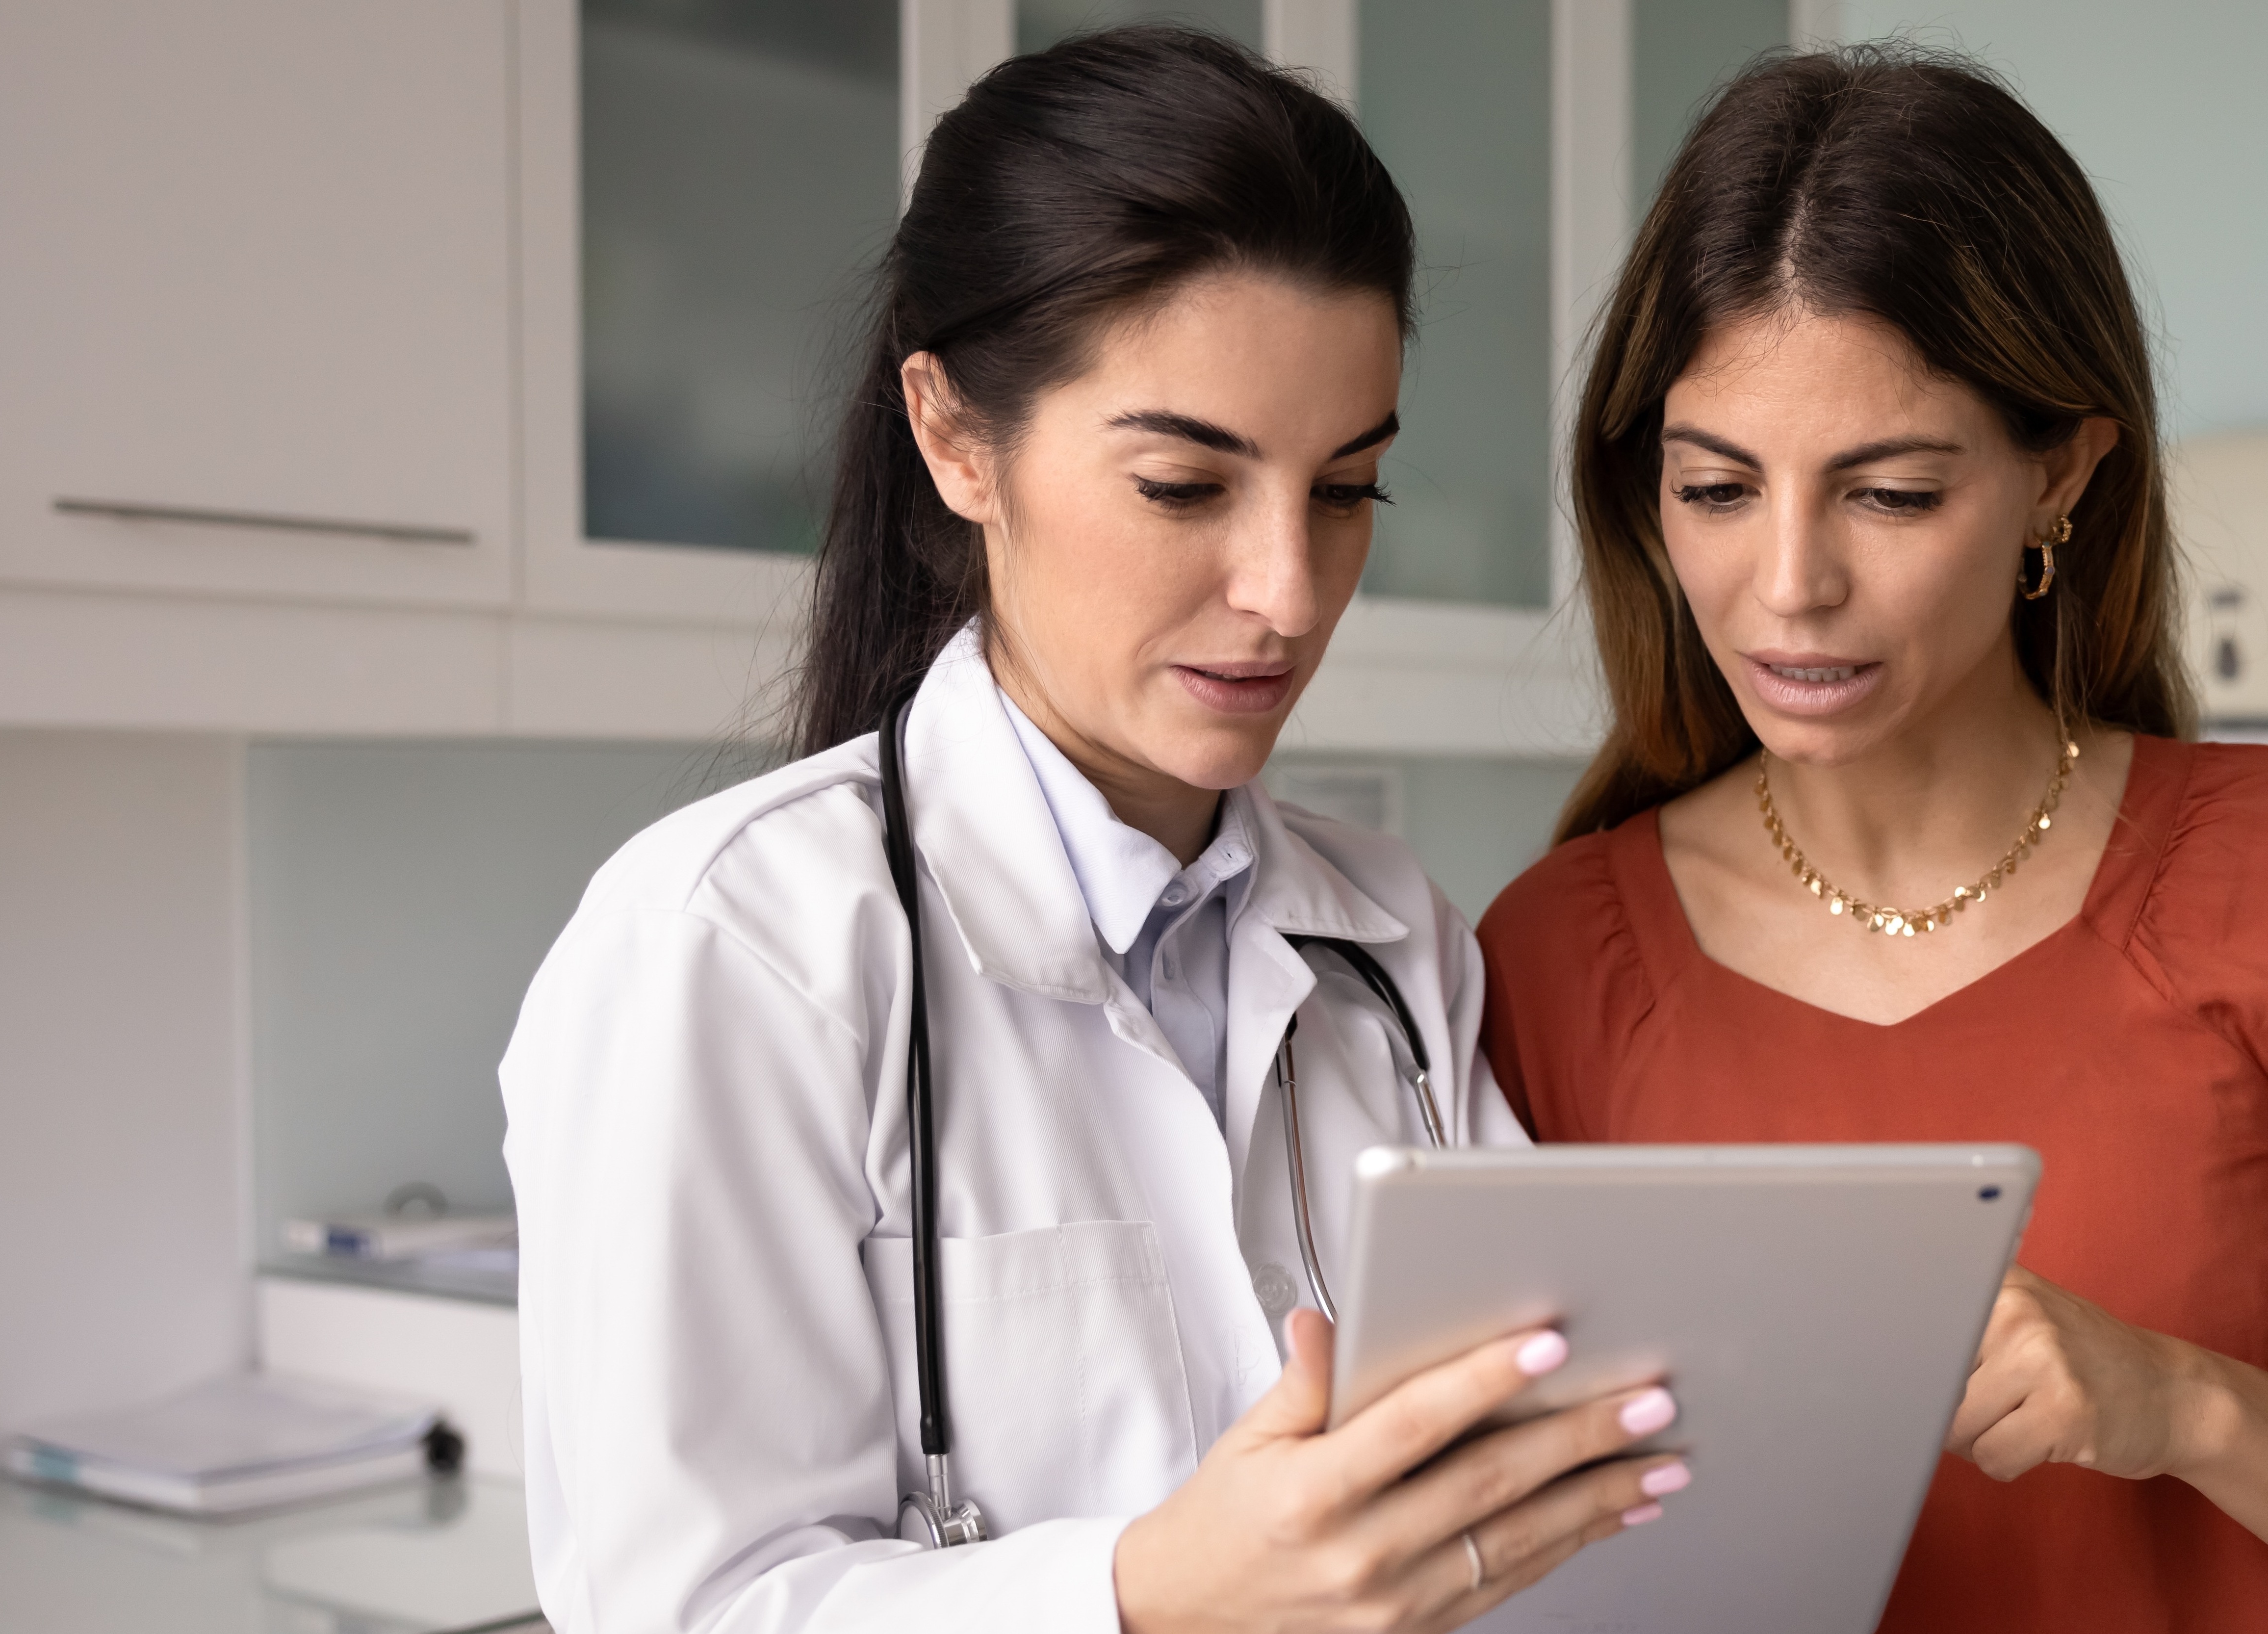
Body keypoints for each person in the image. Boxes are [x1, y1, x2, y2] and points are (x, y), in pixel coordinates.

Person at [500, 29, 1682, 1634]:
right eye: (1186, 486)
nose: (1287, 590)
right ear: (954, 436)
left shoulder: (1393, 942)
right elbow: (685, 1607)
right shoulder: (727, 951)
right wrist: (1141, 1595)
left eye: (1347, 491)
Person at [1479, 45, 2268, 1634]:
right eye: (1718, 487)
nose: (1789, 583)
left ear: (2060, 480)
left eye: (1888, 493)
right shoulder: (1545, 964)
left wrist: (2188, 1407)